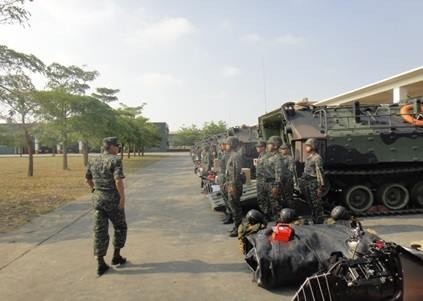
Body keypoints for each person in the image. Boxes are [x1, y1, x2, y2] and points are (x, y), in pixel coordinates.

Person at [85, 137, 128, 277]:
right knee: (120, 227)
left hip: (98, 200)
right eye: (117, 145)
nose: (118, 148)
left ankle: (100, 263)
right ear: (110, 147)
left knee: (99, 230)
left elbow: (88, 179)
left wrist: (94, 190)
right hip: (112, 200)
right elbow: (118, 181)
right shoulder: (115, 160)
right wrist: (122, 198)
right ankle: (116, 256)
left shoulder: (92, 160)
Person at [299, 138, 325, 224]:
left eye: (308, 146)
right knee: (311, 203)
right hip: (308, 183)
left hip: (314, 183)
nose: (306, 148)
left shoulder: (317, 158)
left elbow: (319, 173)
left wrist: (320, 187)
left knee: (316, 204)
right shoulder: (309, 157)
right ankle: (315, 220)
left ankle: (320, 221)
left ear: (313, 146)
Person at [225, 136, 244, 237]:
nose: (226, 146)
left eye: (227, 144)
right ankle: (236, 226)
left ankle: (238, 228)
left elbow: (236, 173)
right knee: (233, 207)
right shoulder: (232, 155)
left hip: (235, 185)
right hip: (232, 184)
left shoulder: (236, 156)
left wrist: (232, 185)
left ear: (231, 145)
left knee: (236, 208)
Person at [266, 136, 284, 220]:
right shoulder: (272, 156)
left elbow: (279, 173)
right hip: (270, 183)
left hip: (274, 184)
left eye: (270, 144)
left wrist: (276, 187)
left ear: (275, 146)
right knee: (273, 204)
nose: (268, 146)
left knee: (276, 205)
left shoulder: (277, 157)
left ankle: (280, 222)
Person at [255, 140, 271, 219]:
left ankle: (267, 214)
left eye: (259, 147)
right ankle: (265, 213)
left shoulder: (267, 156)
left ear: (264, 147)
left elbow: (268, 169)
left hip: (265, 180)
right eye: (257, 147)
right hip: (260, 180)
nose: (257, 148)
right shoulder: (260, 156)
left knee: (265, 198)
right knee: (261, 198)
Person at [217, 141, 233, 224]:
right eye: (222, 144)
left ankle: (230, 216)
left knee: (228, 199)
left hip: (225, 178)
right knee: (225, 198)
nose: (222, 146)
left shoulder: (228, 155)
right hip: (222, 178)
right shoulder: (223, 154)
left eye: (223, 144)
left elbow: (229, 170)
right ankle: (228, 214)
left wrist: (227, 181)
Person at [280, 144, 295, 208]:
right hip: (281, 180)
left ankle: (291, 210)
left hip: (287, 181)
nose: (282, 150)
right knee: (283, 196)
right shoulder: (280, 158)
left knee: (289, 197)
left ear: (287, 150)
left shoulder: (290, 158)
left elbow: (291, 170)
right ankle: (285, 211)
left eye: (283, 149)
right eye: (281, 149)